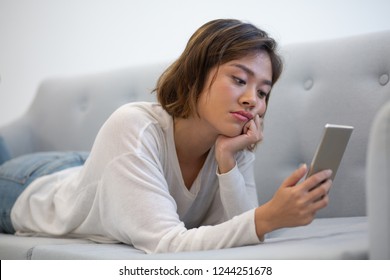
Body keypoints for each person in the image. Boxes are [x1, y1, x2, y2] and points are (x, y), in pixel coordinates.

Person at [0, 19, 332, 253]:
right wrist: (268, 217)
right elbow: (166, 244)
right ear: (195, 74)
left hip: (108, 170)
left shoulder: (232, 144)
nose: (252, 100)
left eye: (263, 91)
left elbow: (236, 232)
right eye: (239, 79)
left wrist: (228, 163)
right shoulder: (132, 125)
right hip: (32, 186)